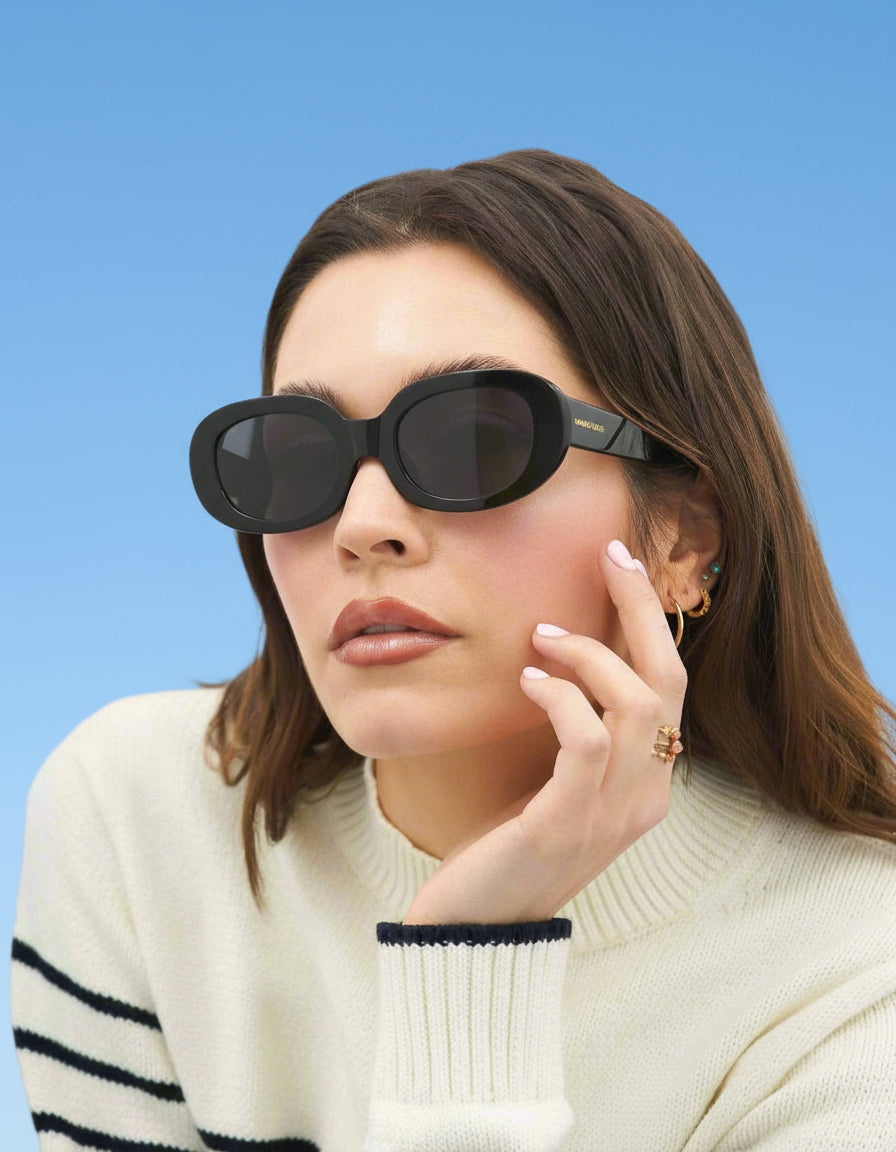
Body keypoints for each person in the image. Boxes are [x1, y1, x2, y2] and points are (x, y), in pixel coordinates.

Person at [12, 149, 896, 1151]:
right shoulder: (141, 817)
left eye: (473, 441)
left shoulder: (858, 977)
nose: (361, 525)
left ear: (682, 537)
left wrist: (470, 957)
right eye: (298, 456)